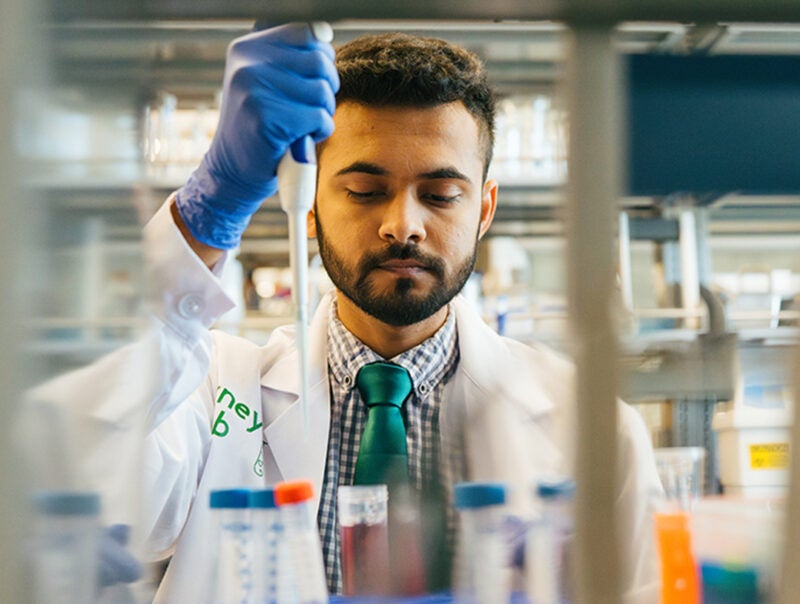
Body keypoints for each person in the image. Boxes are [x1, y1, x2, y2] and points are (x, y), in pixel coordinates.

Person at [28, 23, 662, 603]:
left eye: (441, 194)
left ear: (485, 209)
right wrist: (209, 211)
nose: (402, 226)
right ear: (306, 203)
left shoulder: (596, 431)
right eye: (364, 190)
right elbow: (72, 457)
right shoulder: (208, 392)